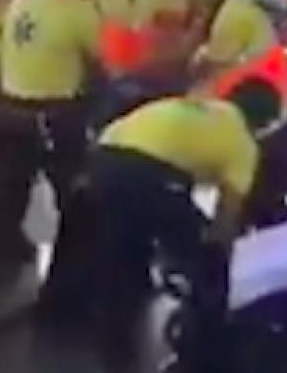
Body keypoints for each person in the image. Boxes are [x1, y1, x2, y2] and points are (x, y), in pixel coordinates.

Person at [87, 49, 261, 373]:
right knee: (201, 254)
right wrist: (217, 255)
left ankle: (114, 350)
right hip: (150, 170)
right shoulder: (244, 143)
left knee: (122, 255)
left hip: (104, 157)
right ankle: (207, 346)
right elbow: (227, 215)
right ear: (264, 122)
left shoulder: (215, 110)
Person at [0, 0, 105, 326]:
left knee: (9, 197)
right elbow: (101, 62)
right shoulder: (78, 9)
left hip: (10, 109)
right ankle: (67, 294)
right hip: (57, 113)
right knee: (77, 200)